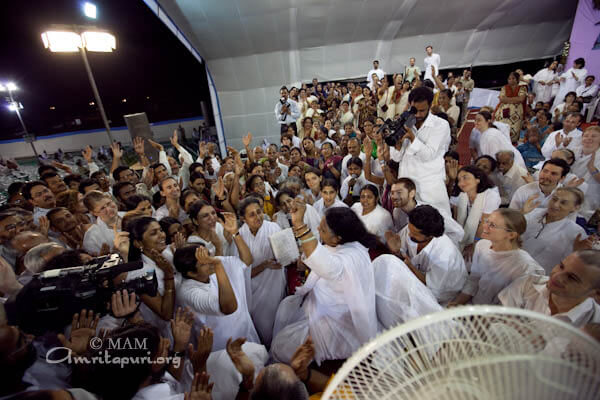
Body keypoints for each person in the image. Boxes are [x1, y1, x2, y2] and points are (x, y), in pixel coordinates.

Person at [271, 205, 377, 364]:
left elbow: (326, 265)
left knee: (280, 347)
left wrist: (300, 226)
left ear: (337, 238)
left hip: (337, 325)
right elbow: (321, 255)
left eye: (323, 230)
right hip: (323, 310)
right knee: (286, 309)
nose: (318, 230)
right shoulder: (349, 245)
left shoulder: (350, 258)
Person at [449, 209, 544, 306]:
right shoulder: (482, 245)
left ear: (511, 235)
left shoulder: (525, 267)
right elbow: (474, 280)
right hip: (473, 307)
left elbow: (510, 306)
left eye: (492, 225)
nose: (484, 226)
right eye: (487, 221)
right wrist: (457, 303)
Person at [174, 244, 260, 351]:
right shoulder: (187, 292)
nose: (210, 261)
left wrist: (235, 234)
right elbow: (229, 308)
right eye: (204, 263)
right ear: (192, 273)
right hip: (222, 346)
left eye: (209, 255)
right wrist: (218, 266)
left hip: (245, 332)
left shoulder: (211, 265)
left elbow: (247, 260)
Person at [499, 250, 600, 328]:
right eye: (561, 266)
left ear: (596, 293)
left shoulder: (594, 323)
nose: (557, 276)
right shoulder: (529, 283)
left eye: (572, 277)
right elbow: (495, 317)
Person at [391, 205, 467, 305]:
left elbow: (431, 286)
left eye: (415, 234)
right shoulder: (412, 227)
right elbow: (398, 243)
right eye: (409, 229)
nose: (409, 235)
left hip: (444, 293)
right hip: (420, 275)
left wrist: (410, 266)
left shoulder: (444, 254)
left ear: (430, 235)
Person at [395, 86, 452, 215]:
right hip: (407, 186)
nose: (418, 114)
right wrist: (397, 146)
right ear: (410, 105)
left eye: (422, 110)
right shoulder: (406, 122)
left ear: (431, 105)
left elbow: (428, 155)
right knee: (408, 230)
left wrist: (412, 137)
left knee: (436, 228)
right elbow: (397, 158)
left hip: (429, 188)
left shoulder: (441, 125)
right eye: (415, 110)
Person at [237, 197, 285, 346]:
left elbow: (285, 255)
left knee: (275, 321)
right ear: (243, 219)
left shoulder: (273, 228)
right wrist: (264, 265)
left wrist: (281, 260)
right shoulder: (240, 235)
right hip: (252, 288)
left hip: (274, 284)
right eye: (251, 215)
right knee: (260, 326)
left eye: (259, 212)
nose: (258, 217)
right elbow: (241, 271)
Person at [521, 187, 589, 274]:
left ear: (575, 208)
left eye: (563, 202)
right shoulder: (532, 212)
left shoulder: (576, 233)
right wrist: (521, 213)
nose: (555, 205)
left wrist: (577, 251)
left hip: (538, 277)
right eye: (554, 199)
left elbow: (574, 267)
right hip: (511, 264)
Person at [388, 178, 464, 246]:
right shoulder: (397, 212)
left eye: (399, 192)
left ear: (412, 193)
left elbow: (458, 232)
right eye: (392, 193)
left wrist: (438, 249)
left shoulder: (431, 212)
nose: (394, 196)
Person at [452, 166, 501, 258]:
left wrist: (474, 244)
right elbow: (456, 219)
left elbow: (485, 223)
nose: (461, 183)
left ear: (478, 179)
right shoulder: (460, 194)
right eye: (459, 179)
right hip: (463, 234)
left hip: (486, 234)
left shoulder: (491, 196)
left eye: (465, 178)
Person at [570, 126, 600, 220]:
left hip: (590, 195)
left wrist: (591, 168)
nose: (589, 138)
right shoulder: (574, 150)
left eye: (594, 136)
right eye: (586, 136)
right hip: (570, 188)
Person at [82, 191, 121, 255]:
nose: (109, 209)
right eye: (102, 208)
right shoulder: (91, 237)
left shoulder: (128, 215)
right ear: (94, 213)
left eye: (109, 203)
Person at [494, 71, 528, 144]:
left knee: (515, 130)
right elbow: (502, 99)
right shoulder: (504, 88)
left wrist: (507, 99)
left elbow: (521, 99)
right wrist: (515, 99)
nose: (511, 80)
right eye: (509, 79)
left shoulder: (522, 88)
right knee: (502, 126)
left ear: (517, 80)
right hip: (504, 111)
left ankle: (512, 144)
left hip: (517, 113)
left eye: (513, 78)